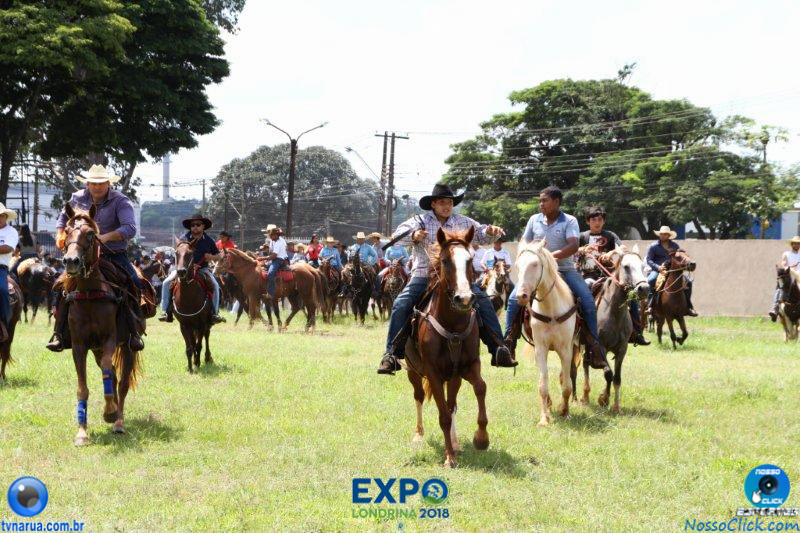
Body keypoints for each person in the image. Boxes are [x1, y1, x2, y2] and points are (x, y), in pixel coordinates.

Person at [377, 183, 516, 375]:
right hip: (423, 275)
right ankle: (391, 354)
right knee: (401, 304)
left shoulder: (462, 221)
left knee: (483, 300)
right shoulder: (419, 220)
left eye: (449, 202)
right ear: (433, 204)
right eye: (442, 202)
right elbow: (397, 236)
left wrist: (490, 232)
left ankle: (499, 348)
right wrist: (414, 235)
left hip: (456, 279)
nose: (447, 206)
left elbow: (482, 234)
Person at [503, 186, 609, 369]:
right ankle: (508, 343)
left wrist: (549, 258)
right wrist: (527, 253)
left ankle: (594, 348)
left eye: (545, 200)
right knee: (513, 300)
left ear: (556, 202)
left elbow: (574, 245)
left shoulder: (570, 220)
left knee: (587, 300)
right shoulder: (534, 220)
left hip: (565, 269)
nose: (541, 204)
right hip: (537, 271)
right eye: (540, 200)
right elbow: (524, 241)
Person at [48, 165, 144, 352]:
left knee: (134, 281)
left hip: (113, 254)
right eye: (93, 183)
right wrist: (61, 236)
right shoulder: (76, 198)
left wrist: (105, 237)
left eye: (101, 183)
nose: (97, 187)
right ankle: (58, 334)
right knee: (59, 286)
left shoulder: (120, 200)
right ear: (87, 183)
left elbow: (130, 228)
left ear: (109, 183)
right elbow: (61, 221)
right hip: (83, 256)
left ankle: (134, 332)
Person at [576, 206, 649, 346]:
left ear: (603, 221)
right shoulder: (582, 236)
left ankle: (637, 332)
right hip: (588, 275)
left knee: (630, 294)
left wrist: (611, 253)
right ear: (587, 221)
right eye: (593, 219)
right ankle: (580, 329)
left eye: (600, 219)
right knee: (582, 292)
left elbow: (622, 248)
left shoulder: (610, 235)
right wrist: (583, 249)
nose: (597, 222)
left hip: (609, 276)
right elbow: (573, 248)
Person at [159, 213, 225, 324]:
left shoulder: (209, 240)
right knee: (166, 283)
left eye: (198, 224)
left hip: (202, 270)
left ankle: (214, 313)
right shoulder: (184, 238)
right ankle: (166, 311)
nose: (195, 227)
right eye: (193, 225)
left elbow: (220, 256)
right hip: (182, 269)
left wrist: (212, 257)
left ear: (203, 226)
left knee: (215, 285)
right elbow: (178, 254)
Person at [646, 226, 697, 316]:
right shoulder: (653, 246)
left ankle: (688, 306)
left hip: (673, 270)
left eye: (665, 234)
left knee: (688, 282)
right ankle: (650, 306)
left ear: (669, 235)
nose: (663, 235)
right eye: (661, 234)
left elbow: (679, 256)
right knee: (651, 280)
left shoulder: (675, 246)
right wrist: (658, 267)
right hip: (658, 270)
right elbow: (649, 260)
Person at [769, 235, 800, 321]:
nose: (797, 245)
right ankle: (775, 309)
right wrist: (788, 266)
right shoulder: (786, 254)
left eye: (798, 244)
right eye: (795, 244)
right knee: (780, 286)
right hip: (788, 275)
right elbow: (783, 263)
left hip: (799, 276)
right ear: (792, 244)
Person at [0, 204, 18, 342]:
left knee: (2, 290)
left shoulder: (11, 231)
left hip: (1, 267)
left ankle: (3, 324)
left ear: (5, 217)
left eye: (1, 215)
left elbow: (8, 248)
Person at [264, 224, 289, 300]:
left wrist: (264, 258)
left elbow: (274, 255)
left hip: (279, 260)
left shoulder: (280, 242)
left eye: (271, 234)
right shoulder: (272, 240)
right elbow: (271, 252)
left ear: (276, 235)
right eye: (269, 234)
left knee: (270, 273)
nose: (270, 236)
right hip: (274, 259)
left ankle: (271, 293)